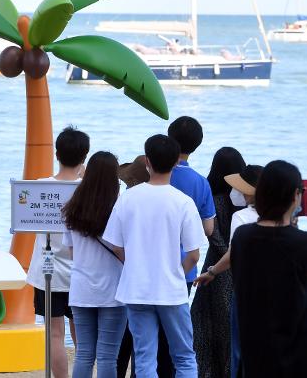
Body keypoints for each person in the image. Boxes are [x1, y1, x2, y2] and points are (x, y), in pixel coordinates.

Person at [200, 160, 307, 377]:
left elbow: (230, 256)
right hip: (300, 347)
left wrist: (211, 272)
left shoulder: (243, 237)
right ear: (296, 196)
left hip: (257, 346)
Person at [103, 134, 205, 378]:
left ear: (147, 162)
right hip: (171, 291)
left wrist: (134, 264)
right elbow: (194, 254)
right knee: (184, 357)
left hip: (136, 289)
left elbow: (115, 245)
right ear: (175, 164)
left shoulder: (128, 198)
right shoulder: (183, 202)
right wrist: (176, 273)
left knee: (145, 355)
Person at [27, 125, 90, 378]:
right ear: (84, 157)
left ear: (57, 153)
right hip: (81, 271)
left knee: (54, 334)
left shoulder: (39, 186)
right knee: (81, 333)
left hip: (47, 271)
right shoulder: (88, 190)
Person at [62, 151, 126, 378]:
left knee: (84, 354)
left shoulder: (73, 208)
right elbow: (122, 250)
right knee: (108, 356)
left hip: (81, 288)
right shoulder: (119, 209)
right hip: (113, 291)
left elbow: (71, 252)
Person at [166, 116, 215, 377]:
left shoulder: (153, 174)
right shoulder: (200, 183)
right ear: (197, 145)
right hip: (184, 268)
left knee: (147, 338)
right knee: (175, 335)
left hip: (147, 266)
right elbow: (209, 230)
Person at [190, 147, 245, 378]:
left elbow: (212, 236)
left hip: (214, 267)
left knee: (205, 324)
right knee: (229, 329)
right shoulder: (244, 204)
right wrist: (235, 257)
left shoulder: (212, 198)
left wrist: (224, 258)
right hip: (240, 268)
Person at [116, 155, 150, 378]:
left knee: (122, 341)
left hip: (125, 279)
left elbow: (116, 243)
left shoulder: (125, 202)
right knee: (143, 341)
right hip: (147, 281)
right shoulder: (153, 202)